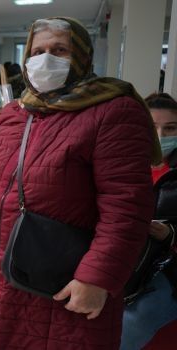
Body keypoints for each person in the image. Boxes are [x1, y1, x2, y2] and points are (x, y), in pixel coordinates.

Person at [0, 17, 162, 349]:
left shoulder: (113, 111)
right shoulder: (15, 113)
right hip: (3, 272)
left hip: (66, 283)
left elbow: (126, 208)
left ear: (82, 57)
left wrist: (96, 278)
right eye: (37, 51)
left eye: (59, 50)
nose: (45, 59)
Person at [121, 92, 177, 350]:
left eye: (170, 128)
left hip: (164, 269)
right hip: (119, 262)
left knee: (135, 321)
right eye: (152, 127)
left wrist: (170, 234)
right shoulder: (119, 164)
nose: (161, 135)